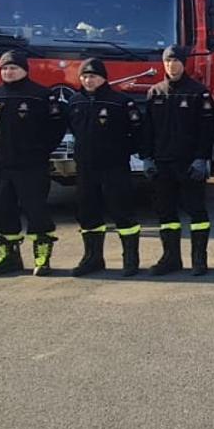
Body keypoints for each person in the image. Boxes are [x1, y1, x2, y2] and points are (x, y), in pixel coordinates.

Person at [0, 49, 69, 277]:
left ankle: (42, 256)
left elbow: (57, 126)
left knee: (36, 210)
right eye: (5, 68)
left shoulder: (40, 95)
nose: (9, 72)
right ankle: (8, 257)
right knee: (2, 211)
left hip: (31, 164)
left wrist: (41, 149)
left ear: (24, 70)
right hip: (0, 164)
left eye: (14, 68)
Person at [66, 59, 147, 277]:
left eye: (93, 76)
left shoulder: (120, 102)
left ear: (103, 78)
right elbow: (72, 129)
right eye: (84, 76)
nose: (88, 80)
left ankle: (130, 260)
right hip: (86, 167)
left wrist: (122, 151)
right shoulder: (75, 102)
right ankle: (92, 258)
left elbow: (138, 132)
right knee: (87, 213)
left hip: (114, 166)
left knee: (122, 212)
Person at [142, 46, 214, 276]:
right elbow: (148, 129)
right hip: (162, 163)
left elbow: (208, 129)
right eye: (167, 61)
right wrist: (146, 158)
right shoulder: (155, 92)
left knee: (197, 213)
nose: (171, 65)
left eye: (176, 61)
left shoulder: (199, 93)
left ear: (184, 64)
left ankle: (199, 260)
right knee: (166, 215)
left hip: (189, 164)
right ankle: (171, 258)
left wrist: (202, 158)